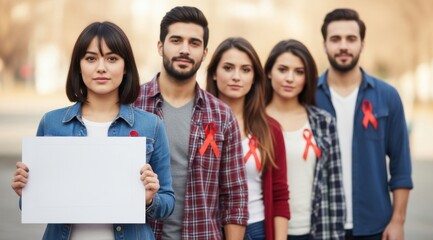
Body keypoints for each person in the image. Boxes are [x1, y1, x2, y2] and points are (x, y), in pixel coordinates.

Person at [11, 21, 175, 240]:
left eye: (112, 58)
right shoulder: (51, 123)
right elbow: (32, 204)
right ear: (78, 65)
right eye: (91, 58)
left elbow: (168, 202)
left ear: (125, 66)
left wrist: (149, 199)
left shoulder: (151, 125)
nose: (101, 67)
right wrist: (26, 192)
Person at [134, 6, 248, 240]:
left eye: (194, 43)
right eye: (176, 40)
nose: (185, 50)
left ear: (205, 52)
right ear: (160, 46)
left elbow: (235, 196)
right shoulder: (131, 105)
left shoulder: (222, 116)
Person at [316, 8, 413, 239]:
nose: (343, 46)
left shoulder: (387, 96)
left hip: (375, 227)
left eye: (351, 39)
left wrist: (398, 222)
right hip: (320, 225)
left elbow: (401, 167)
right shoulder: (308, 96)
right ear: (324, 45)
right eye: (335, 39)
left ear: (362, 44)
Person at [205, 37, 290, 240]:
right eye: (228, 68)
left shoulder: (271, 129)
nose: (236, 76)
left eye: (245, 69)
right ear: (214, 74)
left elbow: (279, 195)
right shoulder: (197, 124)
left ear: (254, 78)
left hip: (256, 229)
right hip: (209, 230)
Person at [264, 39, 346, 240]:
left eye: (299, 72)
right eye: (282, 69)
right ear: (268, 72)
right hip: (265, 229)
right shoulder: (254, 121)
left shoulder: (323, 122)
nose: (290, 78)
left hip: (315, 229)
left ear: (308, 77)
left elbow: (335, 186)